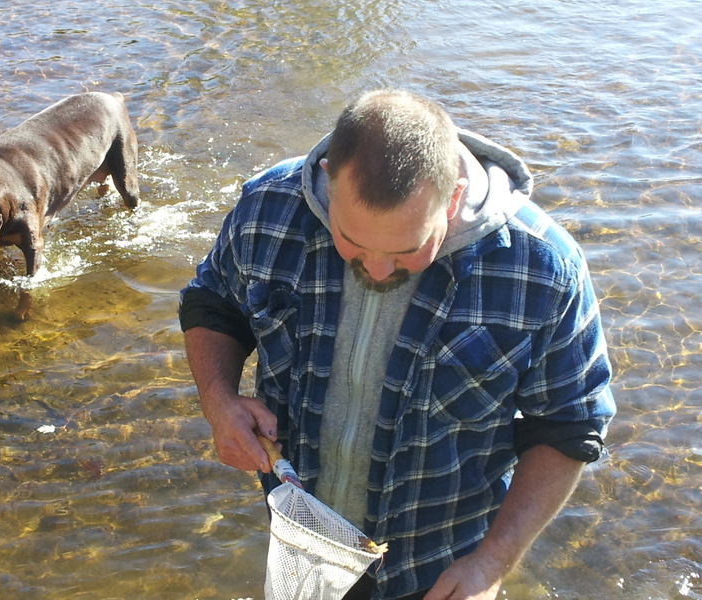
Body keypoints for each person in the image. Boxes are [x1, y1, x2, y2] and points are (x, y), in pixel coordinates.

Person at [179, 90, 615, 600]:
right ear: (326, 177)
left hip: (440, 572)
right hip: (299, 543)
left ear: (452, 197)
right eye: (352, 242)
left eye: (407, 249)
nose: (378, 269)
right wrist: (219, 401)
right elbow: (213, 302)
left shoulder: (542, 268)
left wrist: (491, 564)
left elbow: (570, 427)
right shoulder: (268, 207)